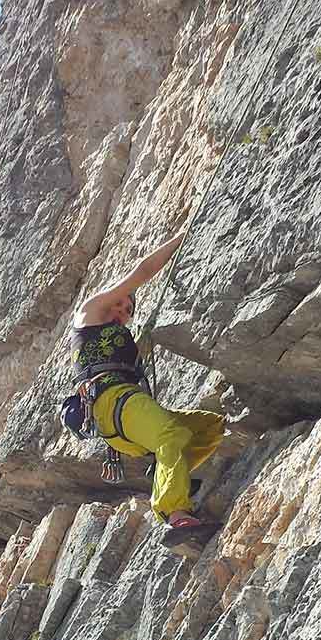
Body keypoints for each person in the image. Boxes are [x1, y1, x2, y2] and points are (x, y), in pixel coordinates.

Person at [70, 234, 225, 550]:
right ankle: (175, 511)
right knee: (171, 435)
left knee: (209, 428)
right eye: (120, 302)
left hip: (123, 413)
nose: (122, 310)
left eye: (127, 310)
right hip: (112, 401)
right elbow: (141, 273)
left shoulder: (123, 342)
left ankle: (168, 479)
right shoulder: (89, 314)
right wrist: (183, 237)